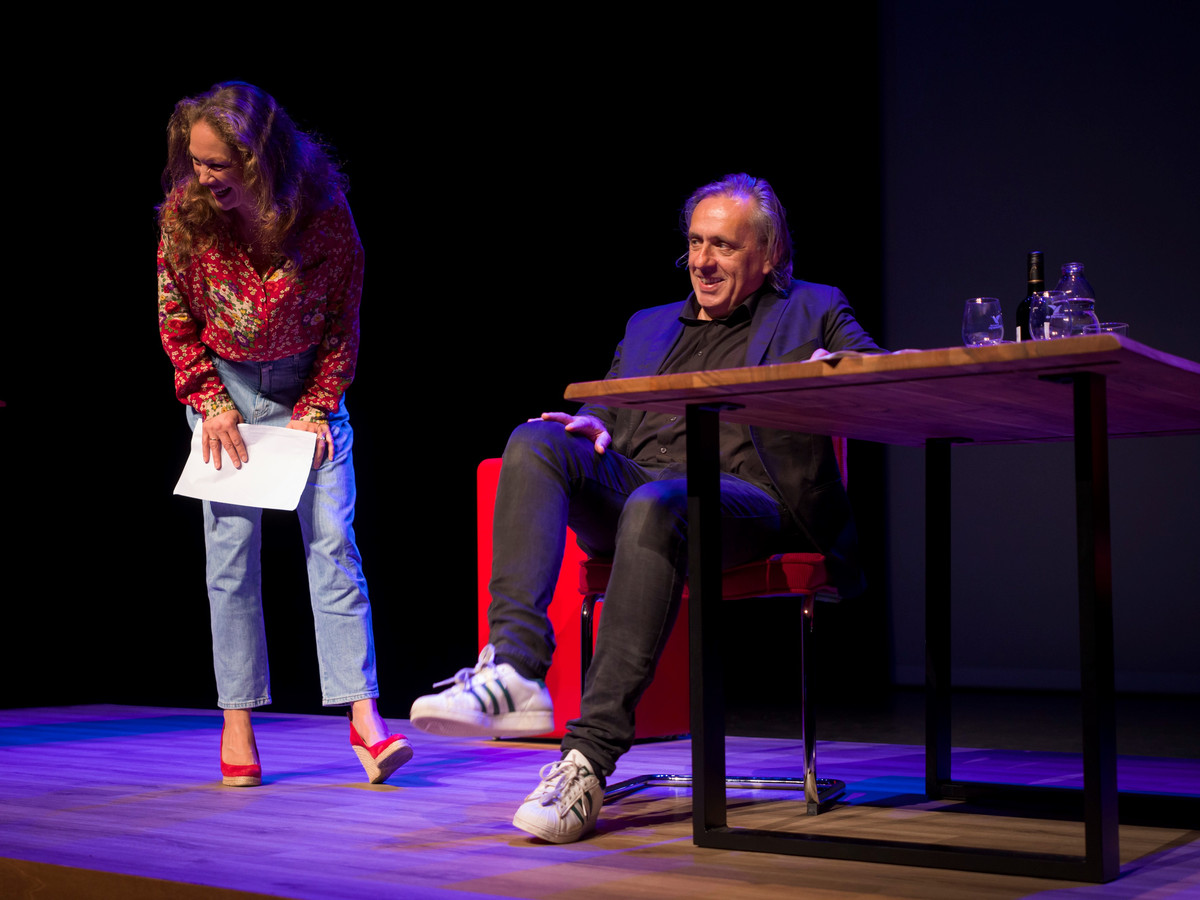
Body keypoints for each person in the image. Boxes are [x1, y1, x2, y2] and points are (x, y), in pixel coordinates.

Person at [409, 173, 882, 841]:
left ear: (768, 254)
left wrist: (837, 375)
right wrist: (591, 425)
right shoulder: (650, 324)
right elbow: (605, 409)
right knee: (538, 440)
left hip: (751, 505)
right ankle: (515, 667)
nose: (703, 261)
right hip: (648, 489)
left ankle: (585, 762)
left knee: (658, 504)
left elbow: (874, 374)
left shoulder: (815, 308)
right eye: (695, 242)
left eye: (723, 245)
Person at [157, 82, 411, 787]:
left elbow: (343, 322)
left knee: (333, 541)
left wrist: (320, 402)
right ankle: (238, 724)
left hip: (306, 391)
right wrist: (210, 401)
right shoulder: (185, 215)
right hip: (227, 394)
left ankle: (365, 722)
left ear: (261, 157)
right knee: (230, 555)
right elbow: (175, 319)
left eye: (218, 165)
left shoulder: (325, 215)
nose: (204, 177)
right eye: (197, 162)